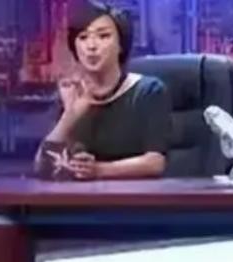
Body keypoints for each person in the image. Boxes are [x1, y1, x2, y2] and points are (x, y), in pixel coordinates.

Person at [35, 0, 172, 180]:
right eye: (83, 37)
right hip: (80, 196)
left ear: (120, 44)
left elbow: (155, 162)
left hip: (136, 194)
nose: (91, 46)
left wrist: (99, 170)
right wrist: (70, 116)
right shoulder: (72, 95)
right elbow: (42, 168)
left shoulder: (148, 91)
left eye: (103, 36)